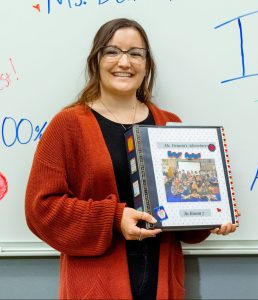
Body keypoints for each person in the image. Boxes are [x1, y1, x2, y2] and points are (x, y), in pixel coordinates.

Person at [25, 18, 238, 300]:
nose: (124, 62)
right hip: (96, 283)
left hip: (160, 279)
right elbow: (41, 209)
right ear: (96, 61)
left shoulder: (169, 125)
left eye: (135, 53)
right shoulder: (67, 125)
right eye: (112, 51)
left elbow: (183, 221)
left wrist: (212, 216)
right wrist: (114, 218)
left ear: (147, 64)